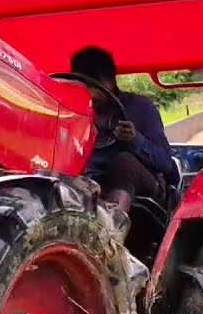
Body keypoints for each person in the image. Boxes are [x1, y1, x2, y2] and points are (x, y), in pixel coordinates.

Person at [69, 46, 180, 215]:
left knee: (125, 161)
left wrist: (135, 140)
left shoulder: (140, 108)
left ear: (110, 81)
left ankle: (110, 222)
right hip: (89, 182)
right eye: (84, 86)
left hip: (142, 186)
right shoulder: (70, 113)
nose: (91, 94)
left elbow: (165, 163)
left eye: (95, 85)